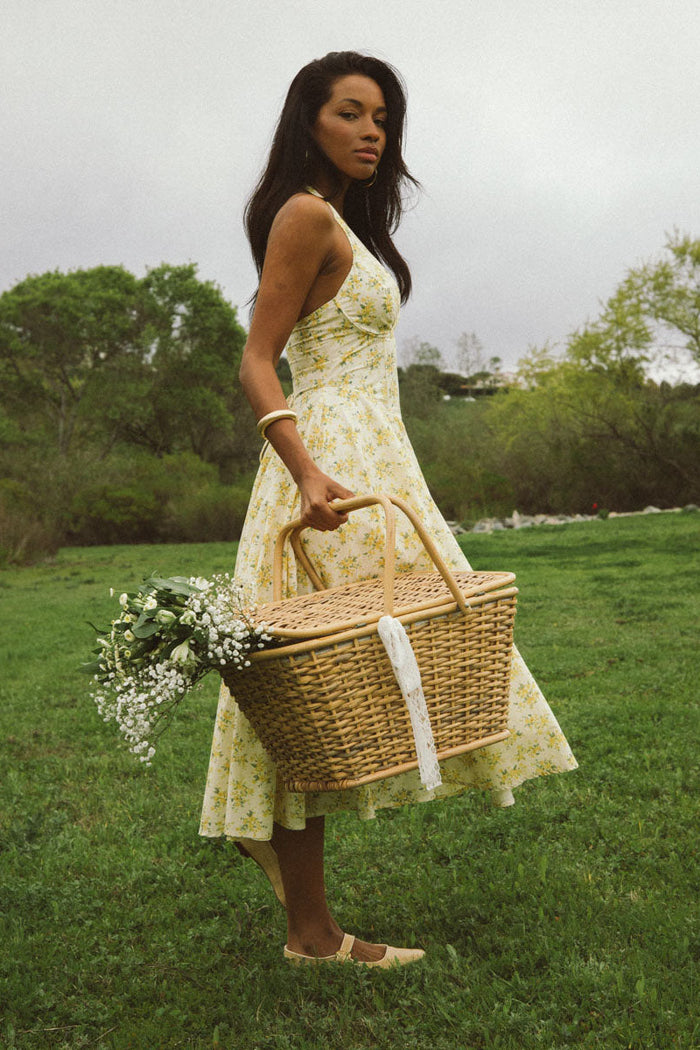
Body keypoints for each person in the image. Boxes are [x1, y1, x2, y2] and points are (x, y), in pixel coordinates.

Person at [200, 51, 577, 967]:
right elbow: (258, 360)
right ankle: (313, 935)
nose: (374, 130)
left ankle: (300, 904)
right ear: (309, 122)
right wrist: (305, 472)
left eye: (383, 118)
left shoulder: (342, 226)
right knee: (310, 682)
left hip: (375, 458)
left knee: (348, 677)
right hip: (327, 467)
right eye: (352, 113)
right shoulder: (303, 213)